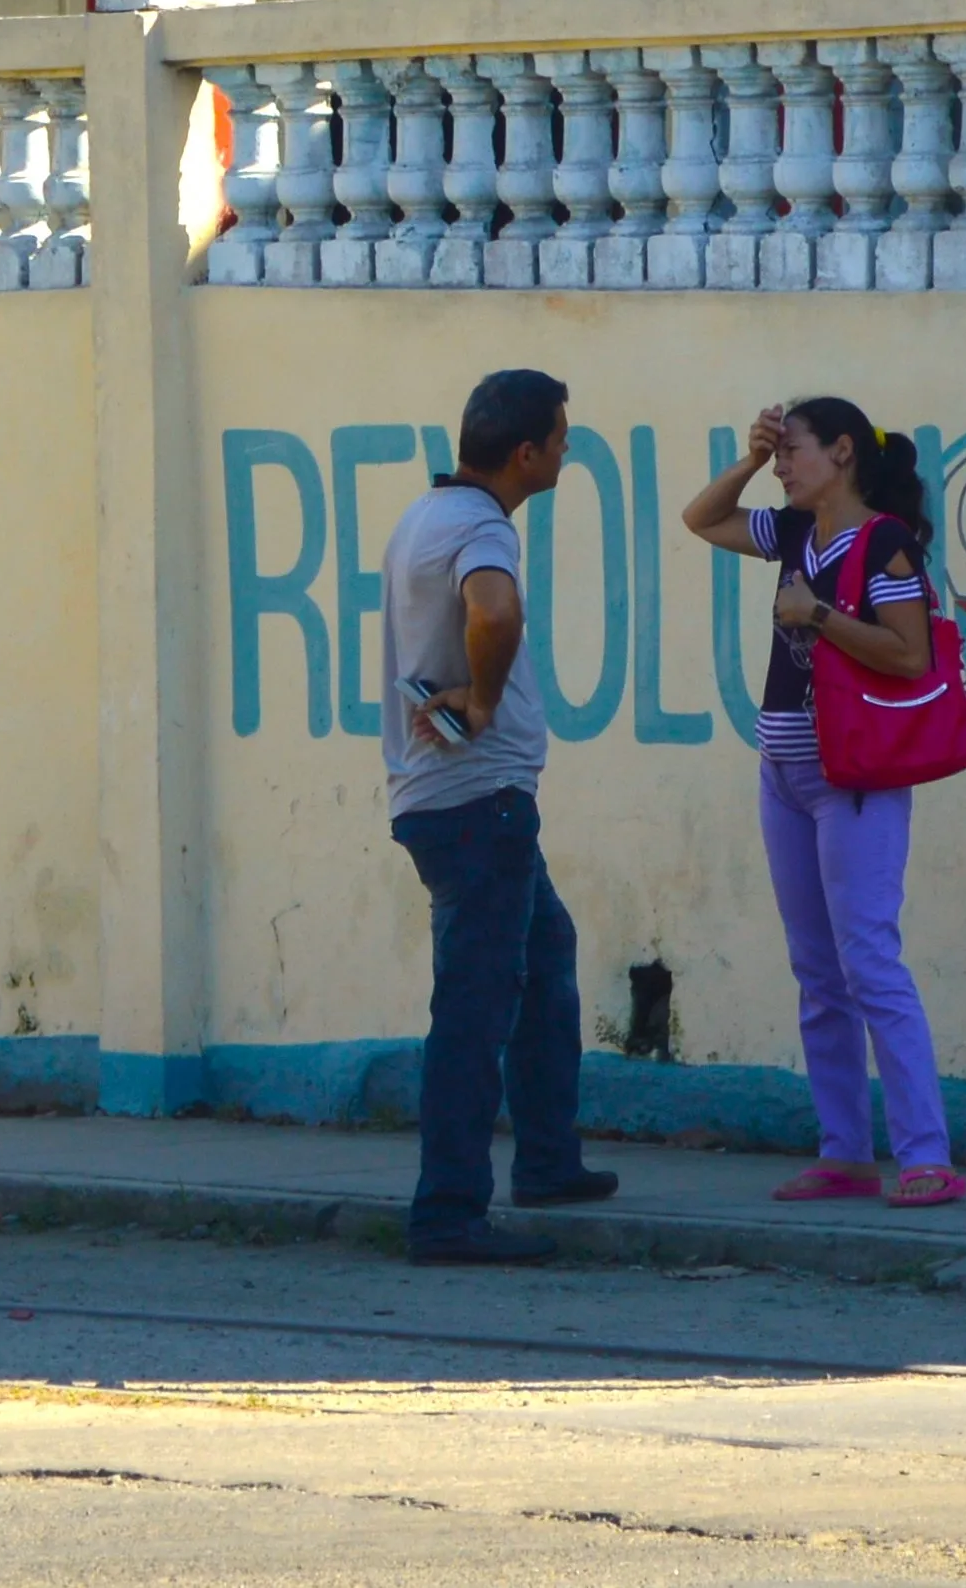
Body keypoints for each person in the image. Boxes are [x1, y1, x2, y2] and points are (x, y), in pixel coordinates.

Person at [681, 396, 963, 1208]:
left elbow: (910, 657)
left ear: (843, 452)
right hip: (785, 774)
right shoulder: (796, 533)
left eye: (791, 451)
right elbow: (704, 519)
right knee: (818, 971)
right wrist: (746, 455)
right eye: (776, 456)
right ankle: (844, 1151)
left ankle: (926, 1156)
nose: (780, 467)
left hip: (857, 781)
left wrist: (820, 614)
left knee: (869, 960)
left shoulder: (885, 544)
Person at [382, 367, 619, 1264]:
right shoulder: (480, 530)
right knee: (477, 1009)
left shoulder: (427, 514)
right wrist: (480, 703)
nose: (564, 451)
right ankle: (447, 1213)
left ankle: (549, 1159)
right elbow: (494, 610)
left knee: (543, 964)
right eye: (560, 440)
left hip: (460, 803)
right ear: (526, 454)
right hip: (477, 802)